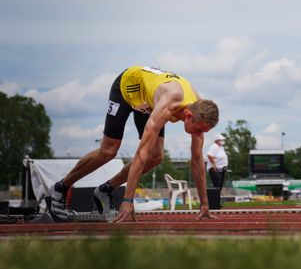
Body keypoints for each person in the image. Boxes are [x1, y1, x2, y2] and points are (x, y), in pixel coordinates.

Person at [49, 65, 219, 222]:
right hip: (127, 89)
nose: (199, 135)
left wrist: (204, 204)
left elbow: (197, 161)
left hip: (148, 102)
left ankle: (106, 189)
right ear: (188, 116)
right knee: (109, 151)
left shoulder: (200, 109)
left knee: (156, 157)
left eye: (204, 131)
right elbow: (140, 153)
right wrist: (128, 200)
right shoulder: (168, 105)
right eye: (198, 130)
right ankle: (61, 187)